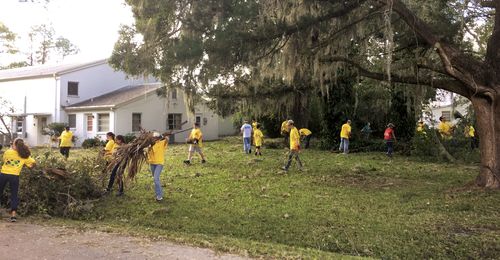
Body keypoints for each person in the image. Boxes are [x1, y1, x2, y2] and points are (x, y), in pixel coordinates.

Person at [0, 138, 36, 222]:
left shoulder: (8, 152)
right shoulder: (24, 155)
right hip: (14, 176)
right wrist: (24, 165)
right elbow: (33, 164)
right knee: (14, 195)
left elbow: (4, 160)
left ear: (14, 144)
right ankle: (13, 215)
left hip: (3, 174)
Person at [148, 132, 168, 201]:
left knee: (156, 179)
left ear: (157, 138)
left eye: (155, 137)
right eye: (153, 138)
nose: (154, 139)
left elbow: (167, 139)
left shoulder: (161, 143)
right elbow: (148, 152)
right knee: (156, 179)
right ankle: (157, 193)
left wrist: (165, 136)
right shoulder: (150, 145)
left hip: (159, 163)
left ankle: (159, 196)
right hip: (152, 163)